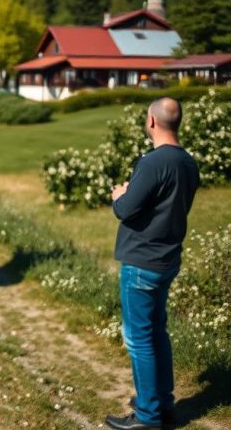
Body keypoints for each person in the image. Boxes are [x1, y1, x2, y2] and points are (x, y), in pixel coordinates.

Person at [105, 98, 199, 430]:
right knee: (157, 332)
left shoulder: (152, 162)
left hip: (141, 260)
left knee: (139, 338)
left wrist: (120, 195)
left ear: (151, 121)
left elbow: (127, 209)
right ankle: (163, 403)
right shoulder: (188, 162)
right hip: (166, 257)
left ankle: (147, 416)